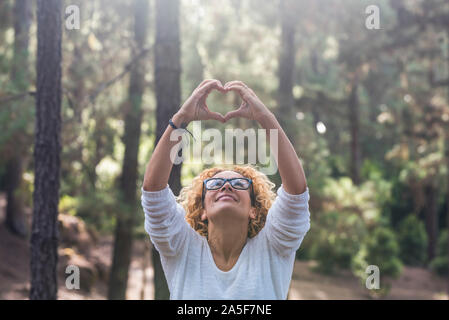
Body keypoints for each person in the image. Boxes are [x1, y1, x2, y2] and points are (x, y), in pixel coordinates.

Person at [141, 79, 310, 299]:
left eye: (239, 184)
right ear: (202, 210)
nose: (227, 186)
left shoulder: (273, 246)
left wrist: (265, 118)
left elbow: (296, 193)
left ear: (254, 209)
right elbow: (153, 192)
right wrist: (181, 119)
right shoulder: (182, 247)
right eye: (216, 184)